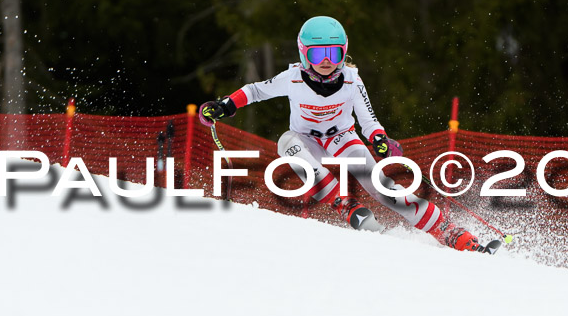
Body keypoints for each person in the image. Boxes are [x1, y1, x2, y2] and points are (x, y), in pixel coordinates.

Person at [199, 16, 493, 253]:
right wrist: (224, 106)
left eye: (333, 52)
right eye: (317, 53)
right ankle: (346, 204)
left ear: (343, 52)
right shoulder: (292, 78)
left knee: (383, 188)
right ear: (304, 53)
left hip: (342, 139)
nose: (326, 60)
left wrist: (379, 139)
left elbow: (368, 119)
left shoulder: (351, 80)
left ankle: (451, 232)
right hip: (308, 141)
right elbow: (256, 90)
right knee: (286, 143)